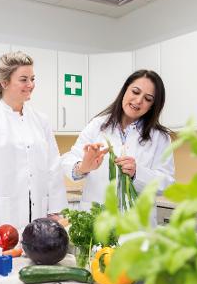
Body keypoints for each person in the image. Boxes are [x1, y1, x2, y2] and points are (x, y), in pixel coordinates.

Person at [0, 51, 67, 230]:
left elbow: (53, 168)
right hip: (2, 216)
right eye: (24, 79)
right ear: (4, 82)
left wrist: (56, 210)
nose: (31, 85)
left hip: (39, 215)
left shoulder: (41, 120)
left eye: (33, 79)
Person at [61, 70, 175, 225]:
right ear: (125, 90)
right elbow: (68, 159)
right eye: (135, 91)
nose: (138, 100)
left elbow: (167, 183)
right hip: (97, 222)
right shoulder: (97, 126)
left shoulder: (160, 138)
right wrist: (82, 167)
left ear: (152, 105)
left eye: (148, 99)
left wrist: (137, 173)